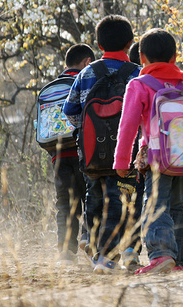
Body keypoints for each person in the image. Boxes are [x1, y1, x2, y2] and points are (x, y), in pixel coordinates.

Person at [114, 28, 183, 274]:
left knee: (155, 204)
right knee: (176, 205)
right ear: (174, 58)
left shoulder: (138, 85)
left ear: (141, 57)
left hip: (157, 159)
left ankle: (161, 254)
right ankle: (181, 259)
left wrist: (121, 160)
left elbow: (127, 126)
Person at [63, 15, 141, 274]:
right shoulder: (136, 73)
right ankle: (112, 255)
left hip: (92, 154)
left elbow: (71, 111)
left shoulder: (86, 73)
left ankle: (97, 249)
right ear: (130, 43)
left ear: (98, 44)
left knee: (94, 199)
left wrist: (87, 131)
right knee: (123, 201)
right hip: (126, 154)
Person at [47, 44, 95, 265]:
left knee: (65, 204)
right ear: (87, 61)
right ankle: (90, 241)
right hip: (84, 152)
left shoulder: (51, 86)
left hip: (58, 155)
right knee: (91, 199)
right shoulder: (87, 80)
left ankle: (66, 252)